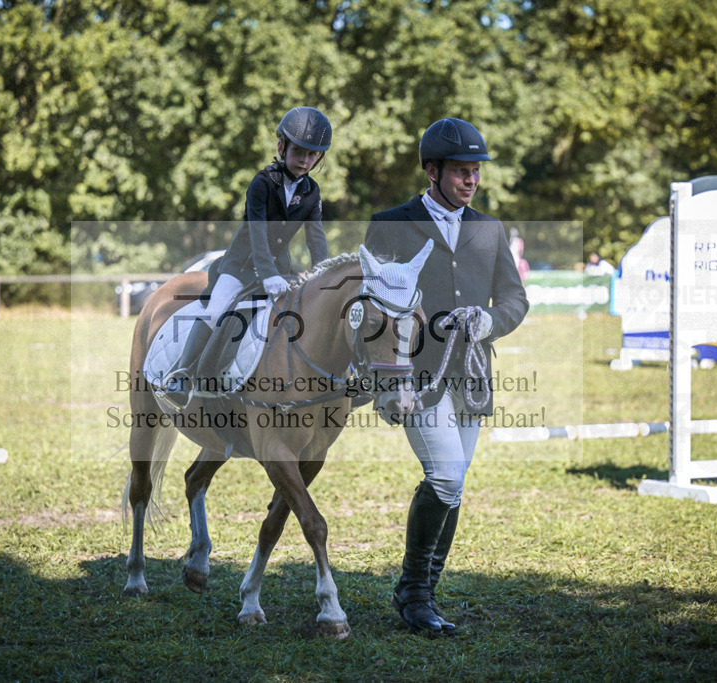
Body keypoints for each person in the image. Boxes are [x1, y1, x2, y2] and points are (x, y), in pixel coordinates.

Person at [364, 118, 529, 636]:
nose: (472, 180)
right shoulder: (391, 223)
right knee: (447, 476)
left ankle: (420, 592)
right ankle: (414, 593)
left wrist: (490, 321)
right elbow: (372, 307)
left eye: (476, 171)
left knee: (453, 485)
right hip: (415, 375)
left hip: (471, 375)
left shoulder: (489, 228)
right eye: (461, 171)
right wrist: (390, 379)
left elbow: (514, 298)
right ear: (432, 170)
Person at [161, 107, 332, 407]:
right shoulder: (262, 183)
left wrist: (323, 275)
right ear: (282, 147)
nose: (306, 160)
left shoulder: (312, 192)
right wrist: (268, 275)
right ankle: (182, 374)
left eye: (312, 155)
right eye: (300, 152)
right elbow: (257, 232)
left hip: (281, 270)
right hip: (240, 267)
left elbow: (316, 238)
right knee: (216, 311)